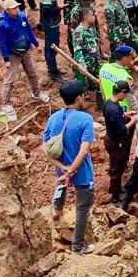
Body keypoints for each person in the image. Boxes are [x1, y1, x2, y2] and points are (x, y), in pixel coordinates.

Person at [45, 81, 97, 254]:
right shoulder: (85, 119)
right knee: (82, 208)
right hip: (81, 171)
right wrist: (72, 171)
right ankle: (78, 246)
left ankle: (57, 209)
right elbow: (83, 151)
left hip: (61, 169)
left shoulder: (53, 118)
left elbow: (45, 149)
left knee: (61, 185)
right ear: (79, 98)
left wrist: (64, 169)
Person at [0, 0, 48, 119]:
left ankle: (36, 93)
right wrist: (6, 59)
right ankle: (5, 103)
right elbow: (2, 42)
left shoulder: (22, 17)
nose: (17, 9)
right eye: (14, 8)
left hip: (25, 51)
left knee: (32, 73)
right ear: (7, 10)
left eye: (16, 7)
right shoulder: (3, 25)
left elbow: (28, 31)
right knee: (10, 79)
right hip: (13, 54)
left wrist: (35, 43)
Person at [103, 77, 136, 201]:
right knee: (117, 168)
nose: (126, 96)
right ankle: (115, 196)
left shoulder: (109, 103)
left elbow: (113, 119)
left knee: (116, 165)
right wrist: (133, 121)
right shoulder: (114, 109)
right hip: (115, 142)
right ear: (121, 92)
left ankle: (116, 189)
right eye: (125, 94)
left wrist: (125, 115)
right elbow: (121, 130)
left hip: (111, 138)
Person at [71, 6, 103, 94]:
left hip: (94, 63)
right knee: (83, 87)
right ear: (86, 17)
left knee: (96, 85)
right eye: (92, 15)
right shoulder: (78, 31)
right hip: (86, 65)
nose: (94, 17)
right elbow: (78, 51)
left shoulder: (90, 29)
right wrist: (82, 66)